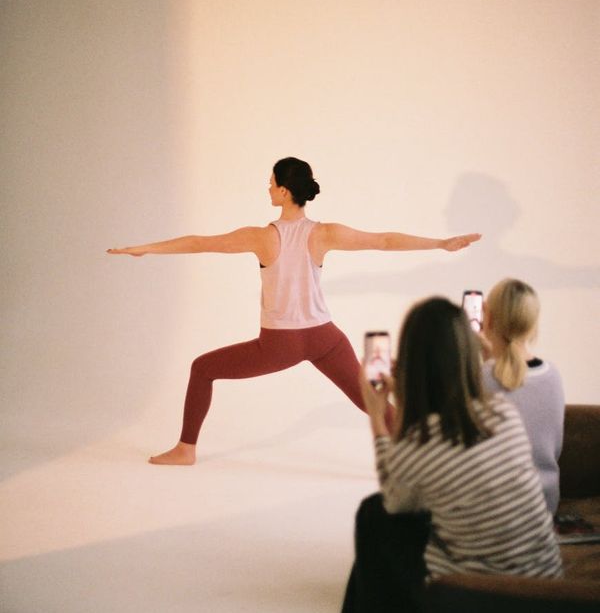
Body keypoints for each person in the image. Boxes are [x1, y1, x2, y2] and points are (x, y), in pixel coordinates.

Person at [107, 157, 480, 466]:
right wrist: (441, 244)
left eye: (271, 184)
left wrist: (146, 249)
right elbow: (383, 240)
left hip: (280, 344)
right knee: (373, 401)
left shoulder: (262, 236)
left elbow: (200, 244)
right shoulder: (325, 232)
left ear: (285, 192)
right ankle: (435, 450)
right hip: (325, 338)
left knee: (202, 369)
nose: (268, 189)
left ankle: (186, 449)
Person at [342, 297, 562, 613]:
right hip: (545, 586)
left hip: (477, 594)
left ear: (409, 362)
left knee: (375, 515)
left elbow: (396, 499)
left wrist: (378, 414)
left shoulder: (420, 446)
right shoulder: (503, 411)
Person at [480, 278, 565, 514]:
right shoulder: (552, 376)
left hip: (493, 512)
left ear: (488, 318)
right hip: (545, 506)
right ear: (532, 323)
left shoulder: (479, 378)